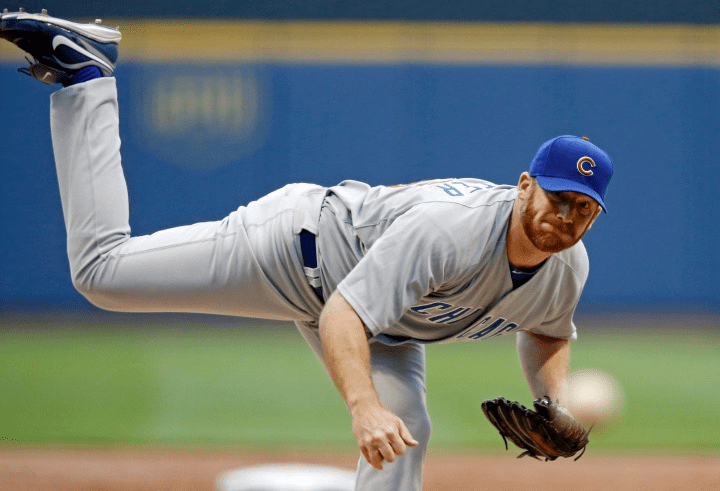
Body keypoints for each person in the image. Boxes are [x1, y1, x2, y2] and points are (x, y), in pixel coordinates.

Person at [1, 10, 613, 491]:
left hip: (382, 321)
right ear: (525, 186)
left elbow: (546, 331)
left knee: (406, 430)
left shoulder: (566, 268)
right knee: (102, 275)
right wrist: (363, 407)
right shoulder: (449, 230)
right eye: (557, 197)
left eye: (583, 207)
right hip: (297, 253)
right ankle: (86, 79)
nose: (566, 216)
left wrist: (552, 403)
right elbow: (342, 314)